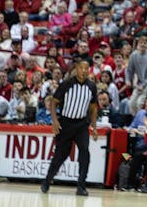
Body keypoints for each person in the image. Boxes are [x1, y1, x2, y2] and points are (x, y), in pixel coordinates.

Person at [41, 59, 98, 196]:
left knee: (84, 152)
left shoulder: (92, 86)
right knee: (61, 154)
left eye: (86, 68)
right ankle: (48, 180)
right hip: (66, 123)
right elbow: (54, 103)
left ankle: (81, 186)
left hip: (81, 125)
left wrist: (94, 127)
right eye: (81, 68)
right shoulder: (66, 84)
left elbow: (93, 108)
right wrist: (55, 121)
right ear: (76, 69)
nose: (84, 71)